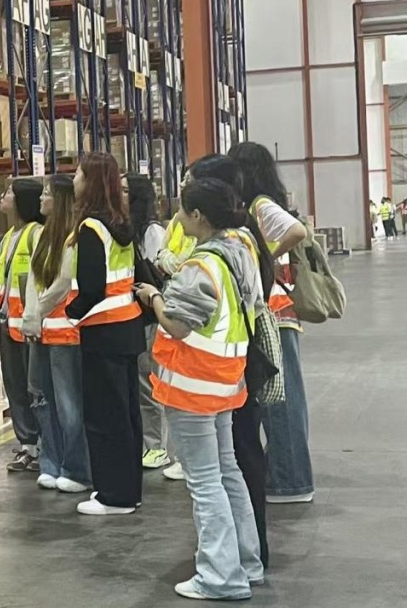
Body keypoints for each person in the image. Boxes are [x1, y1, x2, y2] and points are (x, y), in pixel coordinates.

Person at [135, 177, 264, 601]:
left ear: (198, 216)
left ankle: (220, 576)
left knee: (205, 482)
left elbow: (176, 324)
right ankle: (247, 563)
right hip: (226, 382)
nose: (176, 217)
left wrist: (154, 297)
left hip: (193, 387)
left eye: (181, 210)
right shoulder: (241, 251)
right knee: (227, 472)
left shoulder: (201, 265)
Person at [185, 153, 278, 567]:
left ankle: (239, 558)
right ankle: (245, 554)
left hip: (227, 368)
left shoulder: (231, 245)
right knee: (235, 461)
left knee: (235, 461)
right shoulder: (241, 238)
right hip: (234, 365)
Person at [230, 142, 315, 505]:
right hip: (275, 313)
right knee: (281, 398)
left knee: (281, 401)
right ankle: (285, 471)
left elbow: (297, 232)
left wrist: (263, 257)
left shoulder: (261, 205)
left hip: (276, 313)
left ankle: (290, 479)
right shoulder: (258, 205)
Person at [66, 153, 146, 516]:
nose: (74, 179)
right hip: (127, 327)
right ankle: (128, 489)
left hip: (102, 331)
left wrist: (69, 314)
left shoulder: (91, 228)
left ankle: (114, 496)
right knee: (126, 414)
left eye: (79, 174)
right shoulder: (121, 223)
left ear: (91, 182)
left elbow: (92, 287)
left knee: (104, 416)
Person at [21, 175, 91, 493]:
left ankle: (76, 469)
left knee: (68, 405)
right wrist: (31, 317)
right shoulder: (41, 235)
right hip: (41, 331)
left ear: (60, 199)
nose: (41, 198)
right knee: (41, 399)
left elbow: (63, 283)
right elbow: (34, 281)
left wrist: (37, 312)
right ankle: (51, 462)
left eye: (47, 193)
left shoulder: (75, 236)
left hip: (66, 333)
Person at [0, 179, 46, 472]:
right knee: (15, 385)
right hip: (7, 321)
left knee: (33, 386)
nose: (3, 196)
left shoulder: (36, 234)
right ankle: (27, 444)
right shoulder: (8, 237)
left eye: (9, 193)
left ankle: (42, 445)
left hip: (28, 325)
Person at [126, 173, 170, 471]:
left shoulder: (151, 232)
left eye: (124, 190)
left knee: (148, 378)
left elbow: (158, 273)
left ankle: (157, 446)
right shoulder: (126, 229)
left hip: (150, 315)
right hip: (134, 315)